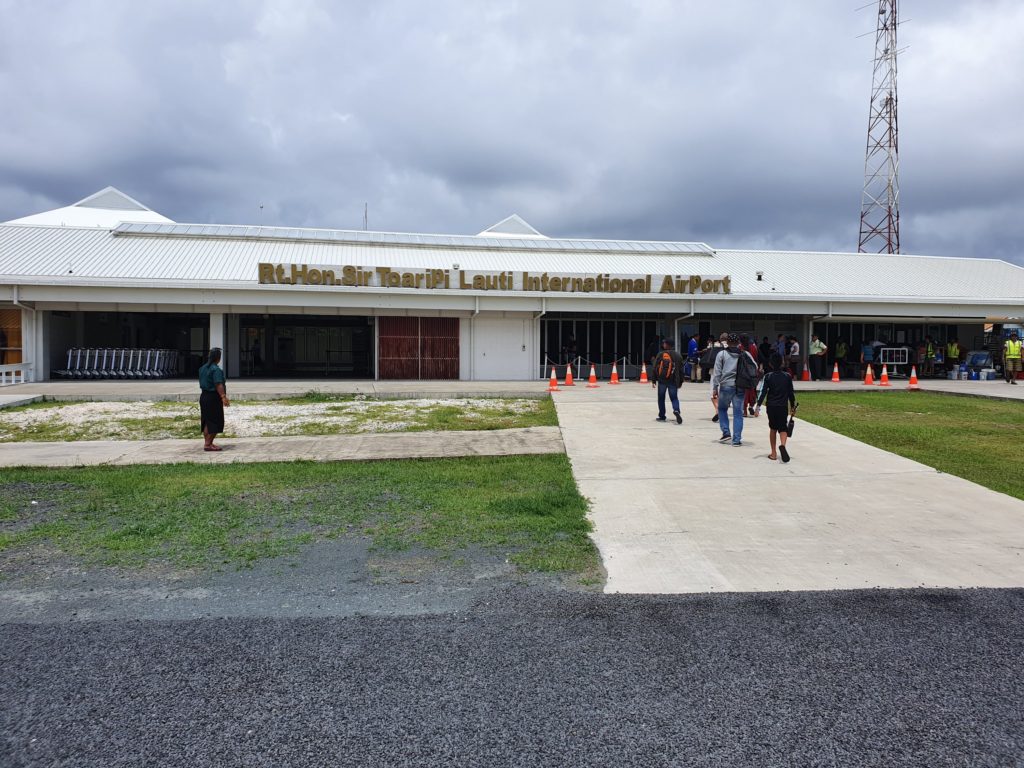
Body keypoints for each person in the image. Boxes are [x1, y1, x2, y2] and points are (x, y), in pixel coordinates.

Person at [712, 332, 756, 446]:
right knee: (738, 413)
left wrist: (715, 387)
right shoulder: (744, 354)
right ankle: (736, 440)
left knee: (722, 409)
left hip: (726, 385)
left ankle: (726, 432)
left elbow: (717, 373)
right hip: (740, 386)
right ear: (738, 343)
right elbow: (754, 366)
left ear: (728, 342)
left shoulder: (721, 354)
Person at [755, 352, 797, 463]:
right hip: (783, 406)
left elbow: (763, 392)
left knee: (773, 428)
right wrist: (793, 407)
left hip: (771, 407)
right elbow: (791, 394)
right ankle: (782, 445)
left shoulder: (768, 376)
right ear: (782, 363)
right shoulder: (787, 376)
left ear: (771, 364)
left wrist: (758, 406)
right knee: (783, 428)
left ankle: (773, 453)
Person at [198, 347, 230, 451]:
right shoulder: (216, 370)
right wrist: (223, 397)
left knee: (207, 420)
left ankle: (208, 443)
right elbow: (218, 384)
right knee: (216, 420)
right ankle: (208, 444)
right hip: (213, 397)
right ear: (218, 358)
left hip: (204, 396)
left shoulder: (202, 368)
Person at [651, 338, 684, 423]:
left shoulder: (661, 354)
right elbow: (681, 370)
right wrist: (681, 381)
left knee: (661, 398)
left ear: (667, 345)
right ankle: (676, 410)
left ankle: (662, 416)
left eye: (664, 343)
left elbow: (655, 368)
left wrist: (654, 380)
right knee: (674, 398)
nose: (663, 344)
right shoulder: (678, 355)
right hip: (673, 381)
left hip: (662, 380)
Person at [702, 333, 728, 421]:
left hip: (714, 371)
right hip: (726, 373)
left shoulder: (715, 345)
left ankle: (717, 410)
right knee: (724, 393)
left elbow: (707, 351)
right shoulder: (731, 347)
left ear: (720, 339)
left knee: (713, 393)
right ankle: (722, 410)